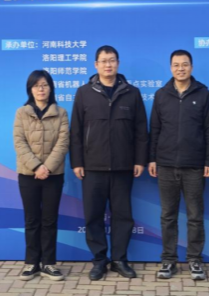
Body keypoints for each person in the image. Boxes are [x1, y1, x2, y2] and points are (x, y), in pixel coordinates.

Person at [70, 45, 149, 281]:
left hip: (123, 166)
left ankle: (119, 260)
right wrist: (77, 162)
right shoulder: (84, 93)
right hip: (92, 166)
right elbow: (76, 131)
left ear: (118, 63)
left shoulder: (131, 93)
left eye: (112, 60)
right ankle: (99, 261)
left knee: (123, 216)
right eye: (103, 61)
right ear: (96, 65)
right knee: (93, 216)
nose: (108, 65)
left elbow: (141, 130)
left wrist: (140, 160)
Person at [148, 50, 209, 280]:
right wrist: (152, 158)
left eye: (185, 64)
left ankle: (195, 260)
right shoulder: (161, 95)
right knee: (168, 216)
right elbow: (154, 130)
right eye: (176, 65)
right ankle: (168, 260)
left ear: (191, 67)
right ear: (171, 68)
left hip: (194, 165)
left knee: (195, 216)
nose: (180, 69)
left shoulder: (204, 94)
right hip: (166, 165)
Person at [13, 70, 70, 281]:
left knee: (49, 220)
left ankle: (49, 264)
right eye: (36, 85)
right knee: (31, 219)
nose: (41, 89)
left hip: (53, 175)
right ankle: (31, 263)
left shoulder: (61, 113)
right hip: (28, 174)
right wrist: (37, 167)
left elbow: (63, 143)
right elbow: (19, 142)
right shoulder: (21, 113)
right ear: (30, 89)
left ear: (51, 88)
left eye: (45, 85)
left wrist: (47, 167)